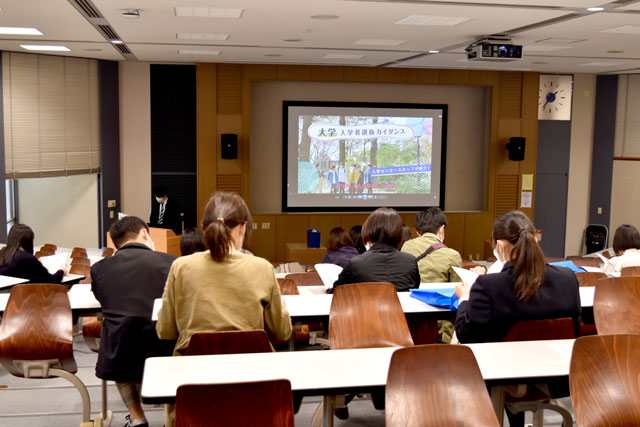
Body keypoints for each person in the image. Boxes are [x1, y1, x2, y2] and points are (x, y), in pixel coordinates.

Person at [156, 191, 292, 427]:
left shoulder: (181, 267)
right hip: (256, 393)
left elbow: (165, 331)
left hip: (193, 394)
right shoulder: (262, 268)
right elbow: (282, 333)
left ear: (204, 229)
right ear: (243, 228)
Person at [91, 216, 176, 427]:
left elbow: (105, 301)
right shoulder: (171, 262)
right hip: (164, 344)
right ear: (145, 234)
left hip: (122, 349)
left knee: (113, 327)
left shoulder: (99, 269)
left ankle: (136, 416)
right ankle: (170, 416)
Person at [454, 210, 581, 344]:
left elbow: (466, 335)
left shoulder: (488, 286)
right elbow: (575, 329)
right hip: (558, 363)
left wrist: (464, 297)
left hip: (501, 363)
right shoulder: (568, 279)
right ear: (535, 242)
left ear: (500, 247)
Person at [333, 207, 420, 292]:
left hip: (366, 306)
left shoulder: (356, 264)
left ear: (368, 230)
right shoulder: (410, 262)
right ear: (399, 234)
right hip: (402, 306)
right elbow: (414, 291)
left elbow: (336, 293)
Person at [401, 207, 463, 283]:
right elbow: (457, 287)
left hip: (411, 294)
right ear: (442, 229)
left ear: (418, 233)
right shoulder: (453, 255)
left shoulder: (407, 246)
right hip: (439, 295)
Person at [0, 224, 65, 283]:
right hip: (24, 294)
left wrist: (35, 262)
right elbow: (51, 280)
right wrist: (61, 271)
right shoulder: (27, 258)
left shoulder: (2, 253)